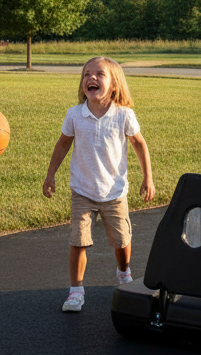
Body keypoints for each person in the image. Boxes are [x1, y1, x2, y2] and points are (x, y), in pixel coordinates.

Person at [43, 56, 155, 313]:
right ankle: (76, 290)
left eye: (99, 74)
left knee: (121, 241)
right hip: (82, 190)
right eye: (86, 74)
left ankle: (124, 273)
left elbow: (139, 144)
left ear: (114, 85)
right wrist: (51, 175)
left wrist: (147, 177)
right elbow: (62, 145)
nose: (91, 78)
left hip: (114, 192)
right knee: (78, 241)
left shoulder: (124, 115)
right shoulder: (75, 114)